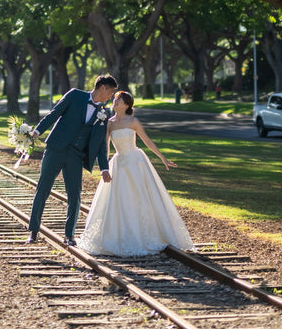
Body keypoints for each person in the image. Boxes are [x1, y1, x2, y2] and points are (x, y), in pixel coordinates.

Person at [77, 90, 194, 257]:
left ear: (126, 105)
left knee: (141, 197)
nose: (115, 102)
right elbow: (106, 148)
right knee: (119, 199)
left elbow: (146, 140)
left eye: (118, 100)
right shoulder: (109, 123)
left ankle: (148, 233)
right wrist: (104, 168)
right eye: (115, 99)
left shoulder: (133, 121)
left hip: (136, 162)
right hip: (119, 163)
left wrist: (163, 158)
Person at [23, 74, 118, 246]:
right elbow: (54, 114)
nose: (110, 97)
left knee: (75, 196)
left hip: (76, 156)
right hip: (55, 149)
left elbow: (101, 144)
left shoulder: (104, 113)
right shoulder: (74, 95)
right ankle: (33, 231)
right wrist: (37, 131)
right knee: (42, 189)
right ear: (102, 87)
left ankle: (70, 236)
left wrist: (104, 168)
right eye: (110, 92)